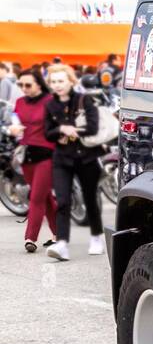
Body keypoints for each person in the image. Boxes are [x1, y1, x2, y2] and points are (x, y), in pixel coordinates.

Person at [44, 62, 104, 261]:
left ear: (71, 81)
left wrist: (72, 130)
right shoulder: (50, 105)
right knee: (62, 201)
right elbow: (48, 132)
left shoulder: (84, 100)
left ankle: (96, 236)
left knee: (89, 199)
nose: (57, 85)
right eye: (53, 82)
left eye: (61, 81)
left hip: (86, 157)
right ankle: (61, 244)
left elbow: (94, 128)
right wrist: (60, 130)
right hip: (62, 159)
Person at [7, 68, 58, 252]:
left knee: (36, 197)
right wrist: (12, 129)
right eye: (21, 85)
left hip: (47, 155)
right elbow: (14, 120)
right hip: (26, 156)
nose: (24, 88)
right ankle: (58, 233)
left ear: (38, 84)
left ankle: (30, 238)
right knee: (45, 198)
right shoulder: (19, 102)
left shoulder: (51, 101)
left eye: (28, 84)